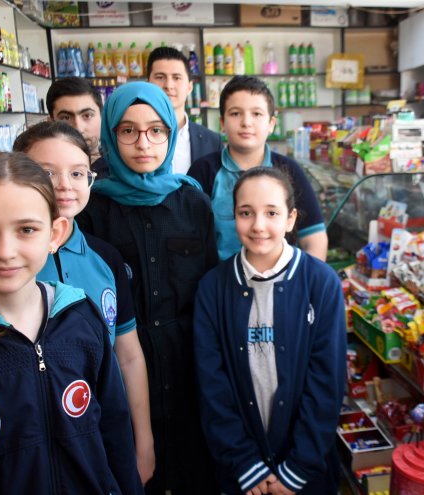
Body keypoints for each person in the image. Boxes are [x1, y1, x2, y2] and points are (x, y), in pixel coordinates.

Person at [0, 152, 141, 494]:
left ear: (54, 234)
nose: (6, 250)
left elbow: (115, 433)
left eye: (27, 229)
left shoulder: (82, 318)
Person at [76, 81, 220, 495]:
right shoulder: (92, 209)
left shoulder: (193, 202)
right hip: (121, 368)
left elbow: (210, 289)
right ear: (111, 135)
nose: (144, 143)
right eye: (128, 130)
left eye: (156, 130)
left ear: (171, 135)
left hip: (189, 363)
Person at [12, 121, 155, 485]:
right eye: (46, 172)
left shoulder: (105, 258)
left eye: (77, 173)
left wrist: (143, 441)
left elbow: (129, 354)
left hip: (103, 431)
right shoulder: (7, 262)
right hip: (27, 438)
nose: (63, 184)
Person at [194, 167, 346, 495]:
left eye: (272, 213)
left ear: (291, 219)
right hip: (241, 474)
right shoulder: (212, 288)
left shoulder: (321, 283)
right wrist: (244, 463)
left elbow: (327, 383)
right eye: (246, 213)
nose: (259, 225)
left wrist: (297, 468)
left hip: (306, 473)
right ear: (233, 216)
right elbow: (212, 385)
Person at [188, 75, 328, 261]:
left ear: (271, 124)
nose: (247, 122)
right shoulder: (203, 171)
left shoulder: (289, 171)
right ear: (222, 123)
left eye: (257, 114)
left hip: (281, 284)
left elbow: (314, 238)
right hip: (221, 285)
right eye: (236, 113)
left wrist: (306, 285)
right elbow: (188, 243)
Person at [146, 46, 222, 173]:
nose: (168, 86)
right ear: (148, 84)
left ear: (190, 87)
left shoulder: (212, 141)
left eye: (176, 78)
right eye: (160, 77)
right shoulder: (133, 137)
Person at [46, 76, 109, 176]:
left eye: (87, 115)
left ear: (102, 117)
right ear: (51, 122)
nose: (78, 128)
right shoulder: (41, 177)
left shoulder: (121, 172)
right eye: (65, 118)